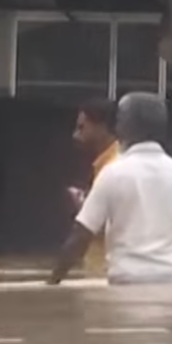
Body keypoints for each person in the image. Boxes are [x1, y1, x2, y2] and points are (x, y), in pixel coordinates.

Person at [46, 92, 172, 285]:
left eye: (119, 120)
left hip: (126, 280)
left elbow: (80, 236)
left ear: (124, 128)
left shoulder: (112, 174)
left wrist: (52, 282)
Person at [66, 99, 122, 278]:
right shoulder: (107, 164)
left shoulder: (114, 167)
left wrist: (83, 208)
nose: (75, 135)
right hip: (103, 271)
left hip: (107, 273)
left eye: (82, 128)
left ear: (101, 127)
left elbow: (115, 223)